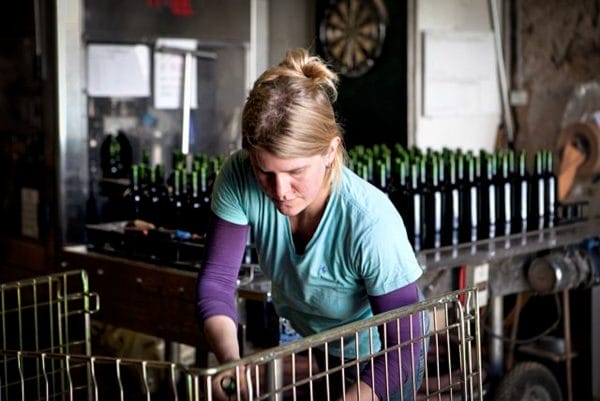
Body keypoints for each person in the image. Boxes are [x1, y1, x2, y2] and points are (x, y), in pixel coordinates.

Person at [196, 48, 428, 401]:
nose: (280, 191)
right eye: (265, 172)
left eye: (296, 172)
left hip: (383, 358)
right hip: (322, 342)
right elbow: (217, 281)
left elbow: (404, 349)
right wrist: (231, 360)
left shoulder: (370, 222)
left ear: (330, 151)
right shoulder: (239, 176)